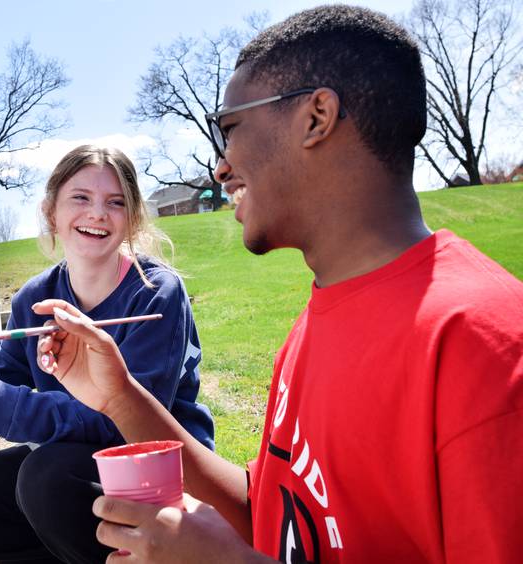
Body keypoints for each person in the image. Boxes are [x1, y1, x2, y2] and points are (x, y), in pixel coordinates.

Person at [33, 6, 523, 563]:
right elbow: (269, 509)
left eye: (232, 128)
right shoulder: (315, 318)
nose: (221, 167)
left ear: (316, 117)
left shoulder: (482, 345)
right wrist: (120, 397)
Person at [0, 145, 214, 563]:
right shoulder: (35, 296)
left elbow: (125, 426)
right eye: (81, 198)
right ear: (52, 212)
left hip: (157, 473)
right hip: (68, 466)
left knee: (46, 477)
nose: (98, 213)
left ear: (133, 217)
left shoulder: (157, 293)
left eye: (115, 202)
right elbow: (6, 382)